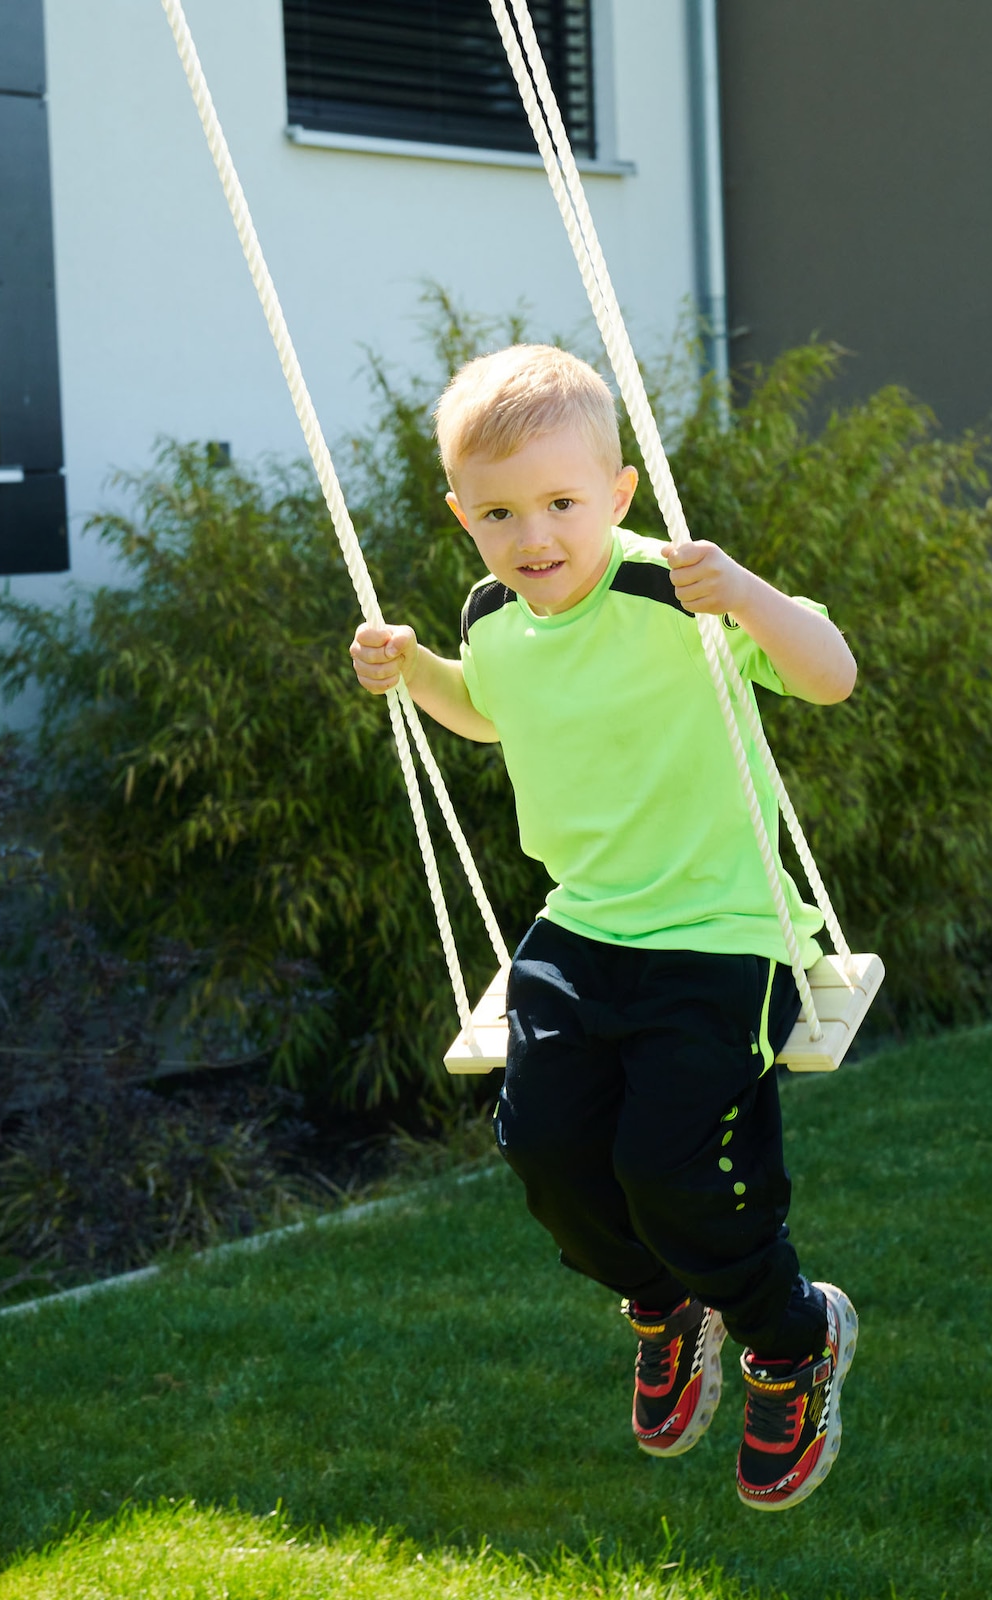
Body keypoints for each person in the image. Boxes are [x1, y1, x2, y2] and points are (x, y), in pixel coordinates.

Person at [348, 343, 860, 1511]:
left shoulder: (673, 592)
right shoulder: (493, 617)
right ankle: (664, 1306)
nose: (536, 535)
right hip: (582, 929)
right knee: (544, 1153)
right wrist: (414, 665)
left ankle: (790, 1338)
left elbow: (828, 677)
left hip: (727, 931)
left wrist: (751, 597)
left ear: (618, 493)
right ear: (461, 517)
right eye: (500, 512)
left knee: (669, 1166)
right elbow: (487, 713)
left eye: (563, 503)